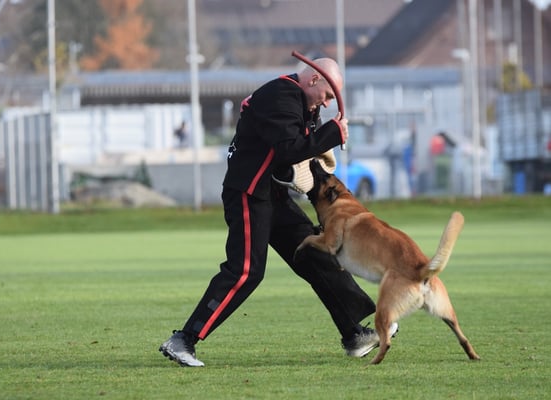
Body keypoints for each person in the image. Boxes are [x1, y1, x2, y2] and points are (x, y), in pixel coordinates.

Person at [159, 58, 397, 367]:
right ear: (314, 80)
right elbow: (289, 149)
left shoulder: (301, 102)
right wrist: (332, 134)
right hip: (248, 193)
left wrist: (323, 142)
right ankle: (183, 339)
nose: (326, 103)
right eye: (327, 95)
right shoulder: (279, 95)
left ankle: (354, 334)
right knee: (246, 271)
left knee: (316, 252)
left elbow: (296, 154)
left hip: (273, 196)